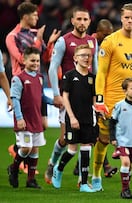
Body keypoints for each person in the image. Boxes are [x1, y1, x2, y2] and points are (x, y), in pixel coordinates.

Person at [92, 3, 132, 193]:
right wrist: (100, 99)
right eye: (126, 17)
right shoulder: (110, 42)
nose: (129, 20)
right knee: (104, 139)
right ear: (121, 19)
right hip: (112, 98)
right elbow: (101, 73)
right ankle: (96, 177)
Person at [6, 1, 61, 175]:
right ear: (25, 16)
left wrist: (49, 44)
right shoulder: (12, 36)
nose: (37, 17)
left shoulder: (36, 33)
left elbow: (44, 58)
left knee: (43, 125)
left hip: (38, 81)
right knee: (28, 129)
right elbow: (22, 59)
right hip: (21, 84)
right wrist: (38, 41)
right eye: (35, 14)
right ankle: (22, 158)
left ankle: (18, 150)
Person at [45, 6, 98, 184]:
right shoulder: (63, 41)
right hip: (68, 95)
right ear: (73, 20)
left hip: (87, 97)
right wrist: (55, 94)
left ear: (89, 21)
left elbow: (96, 70)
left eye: (85, 19)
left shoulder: (92, 42)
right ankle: (53, 163)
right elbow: (53, 68)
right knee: (65, 139)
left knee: (88, 141)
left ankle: (83, 179)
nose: (82, 22)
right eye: (79, 19)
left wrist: (98, 97)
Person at [72, 19, 117, 178]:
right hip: (86, 88)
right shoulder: (90, 45)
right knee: (91, 133)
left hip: (99, 89)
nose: (107, 37)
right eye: (105, 34)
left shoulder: (110, 45)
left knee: (94, 132)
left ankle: (82, 166)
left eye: (110, 35)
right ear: (97, 32)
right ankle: (100, 167)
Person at [51, 44, 97, 192]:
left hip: (88, 118)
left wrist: (97, 110)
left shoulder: (92, 78)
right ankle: (58, 169)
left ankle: (83, 183)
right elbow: (65, 97)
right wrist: (71, 117)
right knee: (71, 150)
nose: (86, 58)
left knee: (86, 148)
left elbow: (94, 99)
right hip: (73, 117)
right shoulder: (69, 76)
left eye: (88, 55)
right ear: (75, 58)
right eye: (83, 55)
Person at [7, 47, 53, 189]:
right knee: (26, 148)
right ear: (24, 60)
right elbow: (15, 99)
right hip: (24, 120)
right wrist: (19, 118)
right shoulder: (18, 79)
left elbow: (41, 97)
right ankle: (14, 169)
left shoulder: (39, 77)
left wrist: (54, 102)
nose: (35, 63)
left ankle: (30, 180)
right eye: (32, 60)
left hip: (36, 119)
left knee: (35, 149)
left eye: (37, 61)